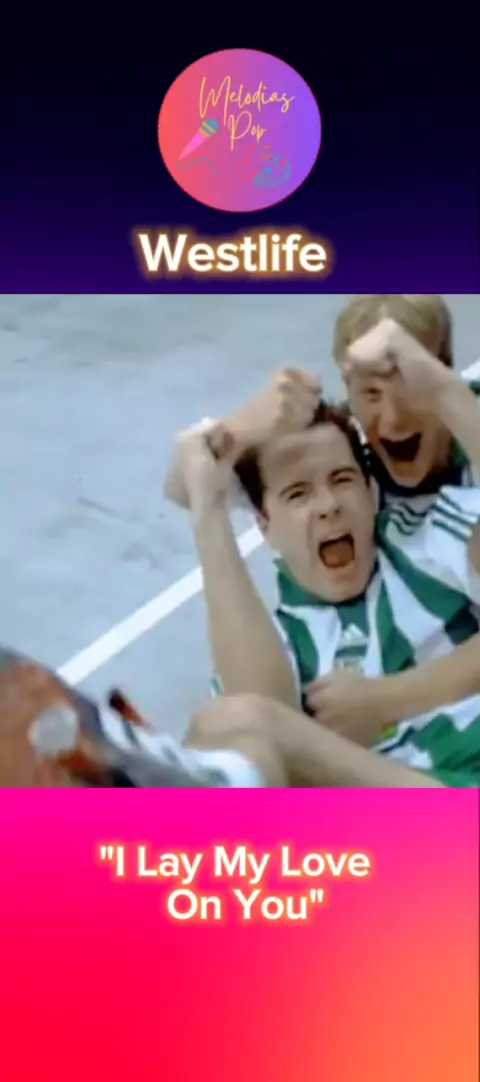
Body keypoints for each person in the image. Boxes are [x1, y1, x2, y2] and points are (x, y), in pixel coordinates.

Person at [164, 294, 480, 743]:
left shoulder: (429, 534)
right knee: (224, 728)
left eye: (411, 385)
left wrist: (390, 699)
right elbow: (185, 484)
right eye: (370, 393)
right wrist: (236, 432)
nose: (393, 418)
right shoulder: (340, 444)